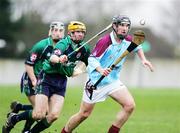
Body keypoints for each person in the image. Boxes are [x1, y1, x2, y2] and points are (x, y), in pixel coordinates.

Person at [61, 15, 154, 133]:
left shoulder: (128, 39)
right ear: (114, 26)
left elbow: (137, 46)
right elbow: (92, 59)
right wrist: (101, 70)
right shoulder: (105, 42)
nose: (124, 28)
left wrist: (143, 60)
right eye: (121, 25)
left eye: (127, 26)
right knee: (84, 114)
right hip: (96, 82)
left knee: (129, 105)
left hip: (112, 81)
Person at [3, 21, 90, 133]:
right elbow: (43, 60)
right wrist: (58, 60)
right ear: (70, 33)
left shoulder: (81, 47)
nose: (81, 34)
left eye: (82, 32)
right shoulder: (53, 44)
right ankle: (15, 119)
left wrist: (81, 70)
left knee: (53, 115)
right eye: (78, 32)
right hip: (44, 79)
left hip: (61, 81)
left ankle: (26, 127)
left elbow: (90, 62)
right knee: (39, 113)